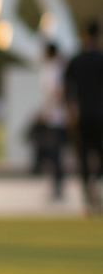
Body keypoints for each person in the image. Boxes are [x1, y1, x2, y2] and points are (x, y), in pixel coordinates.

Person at [65, 20, 103, 214]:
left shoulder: (76, 60)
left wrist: (71, 111)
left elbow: (67, 90)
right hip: (99, 116)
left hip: (81, 116)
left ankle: (89, 197)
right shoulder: (100, 59)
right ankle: (95, 192)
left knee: (83, 158)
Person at [37, 42, 68, 199]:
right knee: (57, 154)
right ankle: (57, 186)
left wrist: (46, 110)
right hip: (59, 117)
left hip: (55, 118)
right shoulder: (59, 68)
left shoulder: (51, 70)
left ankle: (57, 188)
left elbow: (55, 92)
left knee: (55, 154)